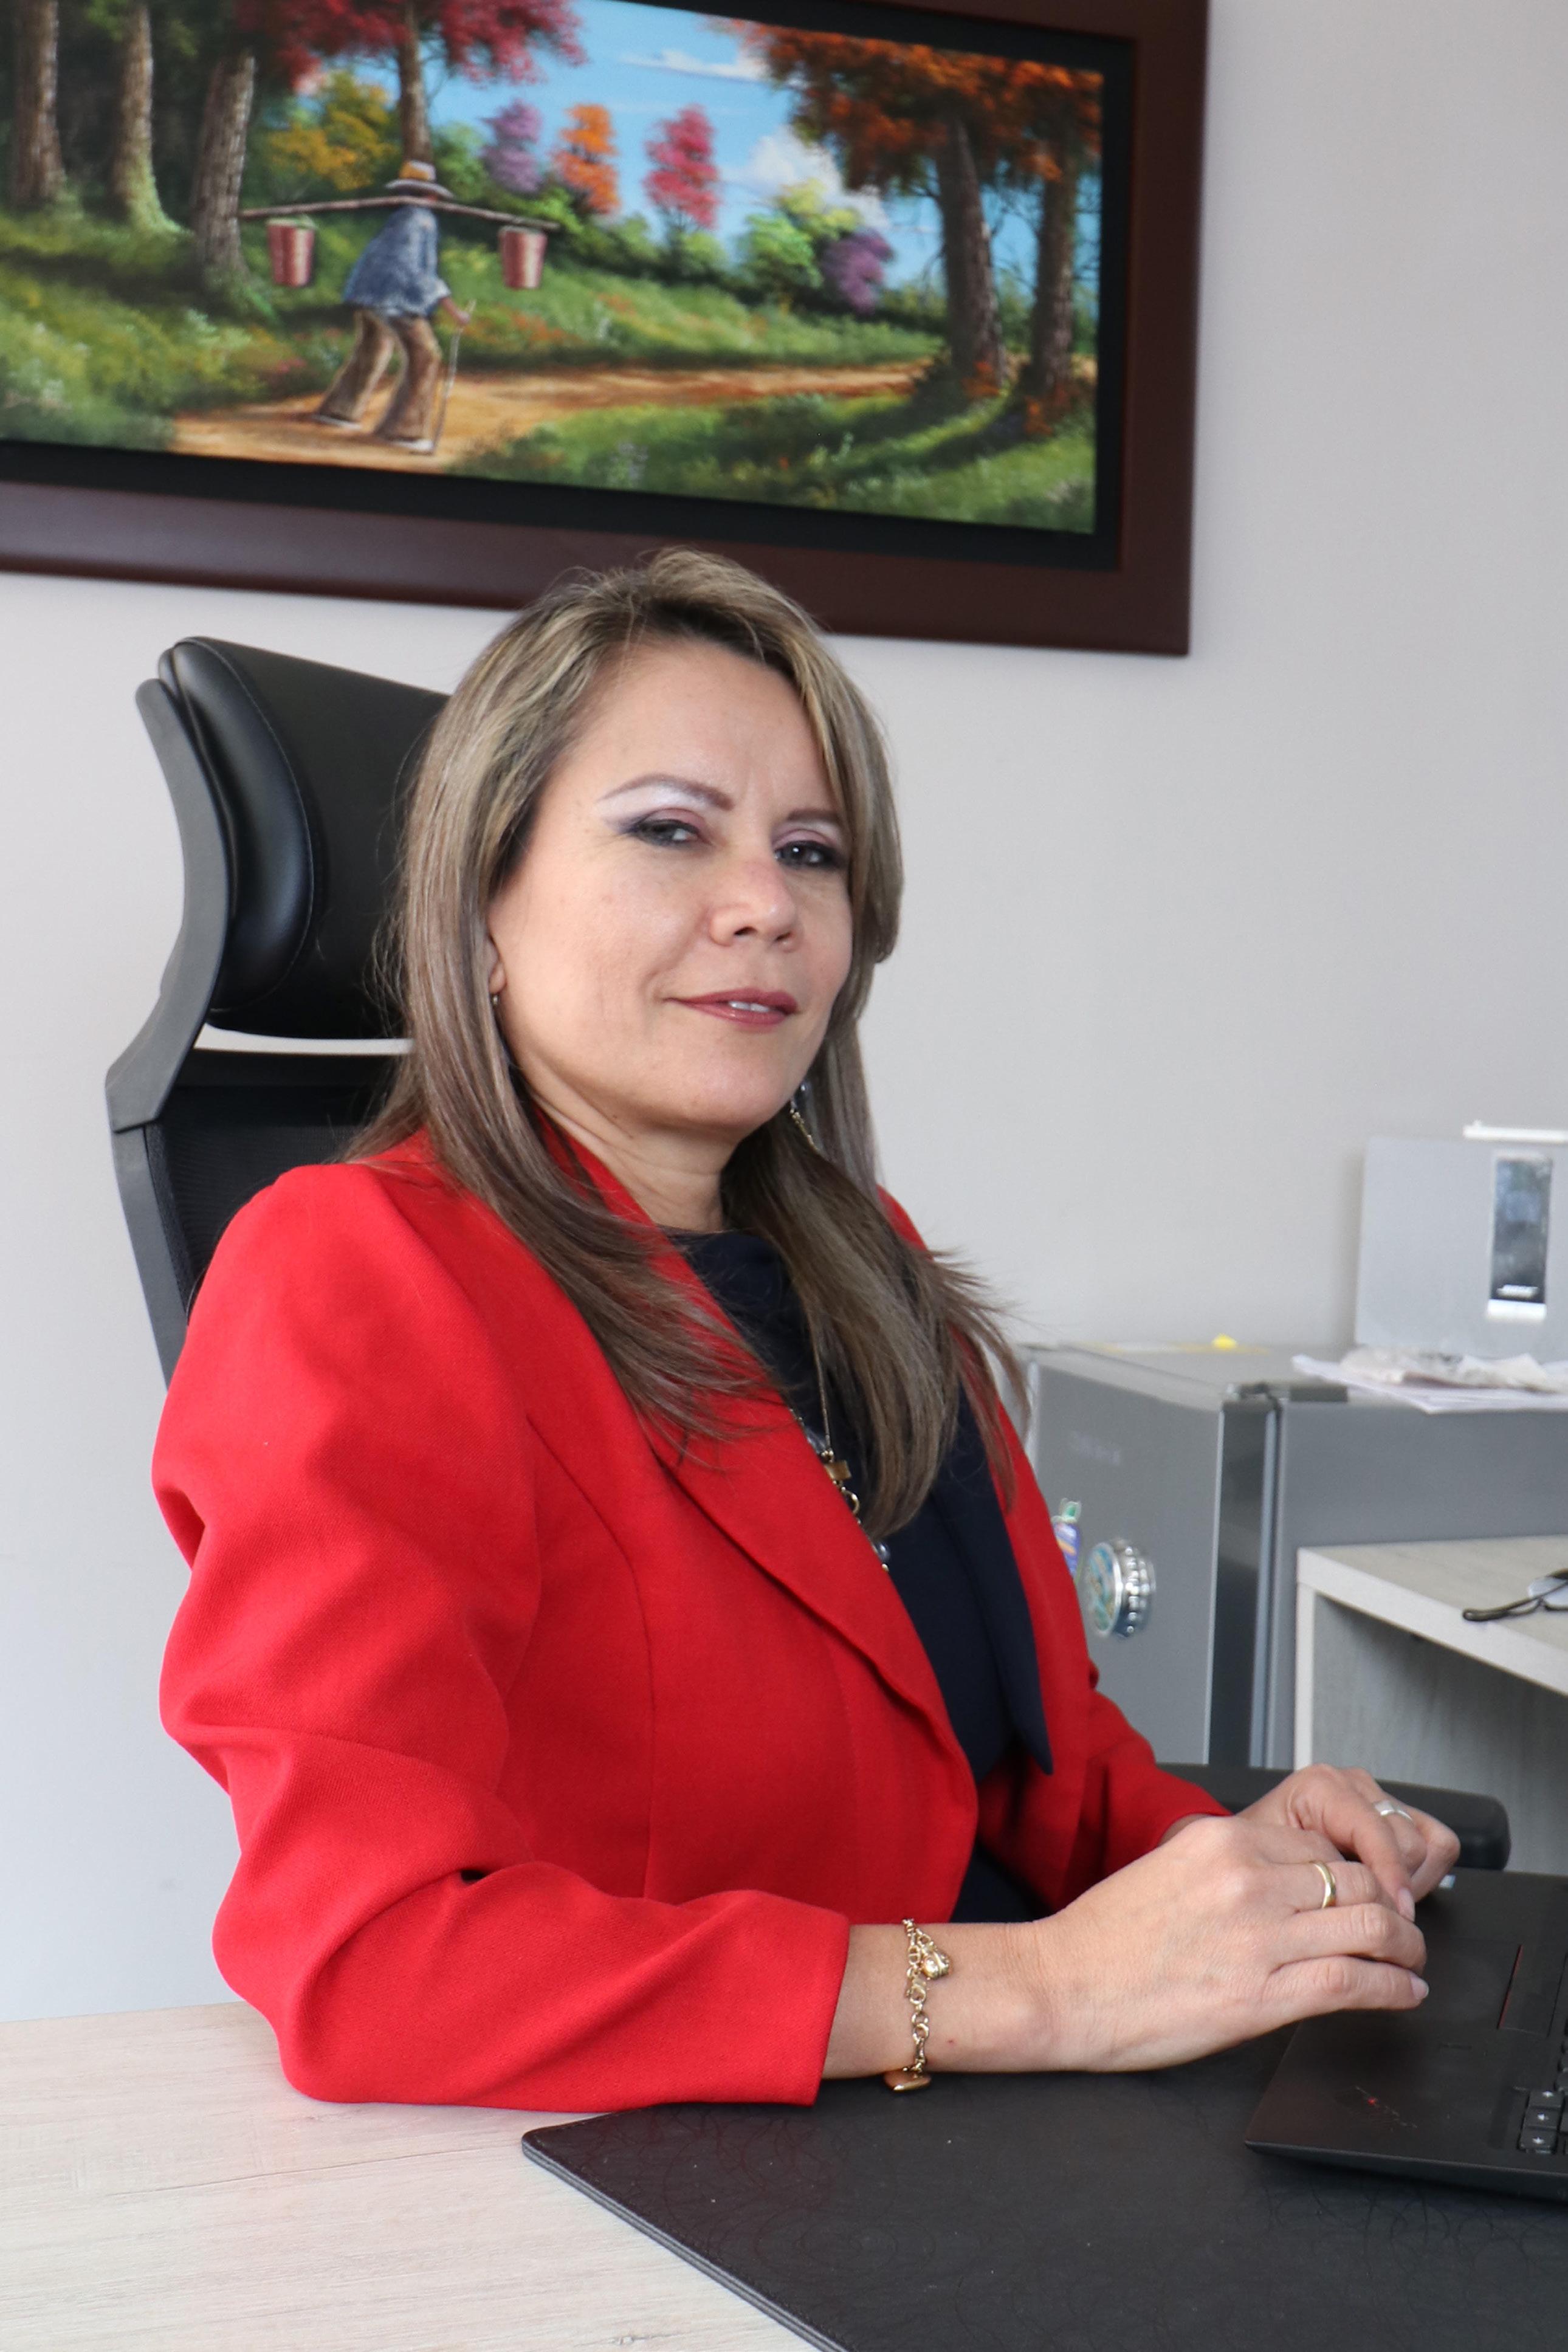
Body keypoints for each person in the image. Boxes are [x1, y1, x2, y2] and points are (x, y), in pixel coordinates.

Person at [154, 551, 1458, 2113]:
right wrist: (1043, 1989)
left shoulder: (860, 1259)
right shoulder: (352, 1270)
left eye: (811, 851)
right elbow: (372, 1963)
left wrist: (1241, 1865)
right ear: (480, 908)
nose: (766, 903)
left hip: (1006, 2112)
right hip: (715, 2158)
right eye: (669, 829)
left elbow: (1035, 1768)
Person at [314, 158, 472, 453]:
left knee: (374, 347)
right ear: (430, 195)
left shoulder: (400, 219)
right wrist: (452, 309)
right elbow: (418, 273)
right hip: (396, 300)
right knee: (426, 356)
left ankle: (340, 410)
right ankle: (404, 429)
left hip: (368, 296)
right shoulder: (422, 221)